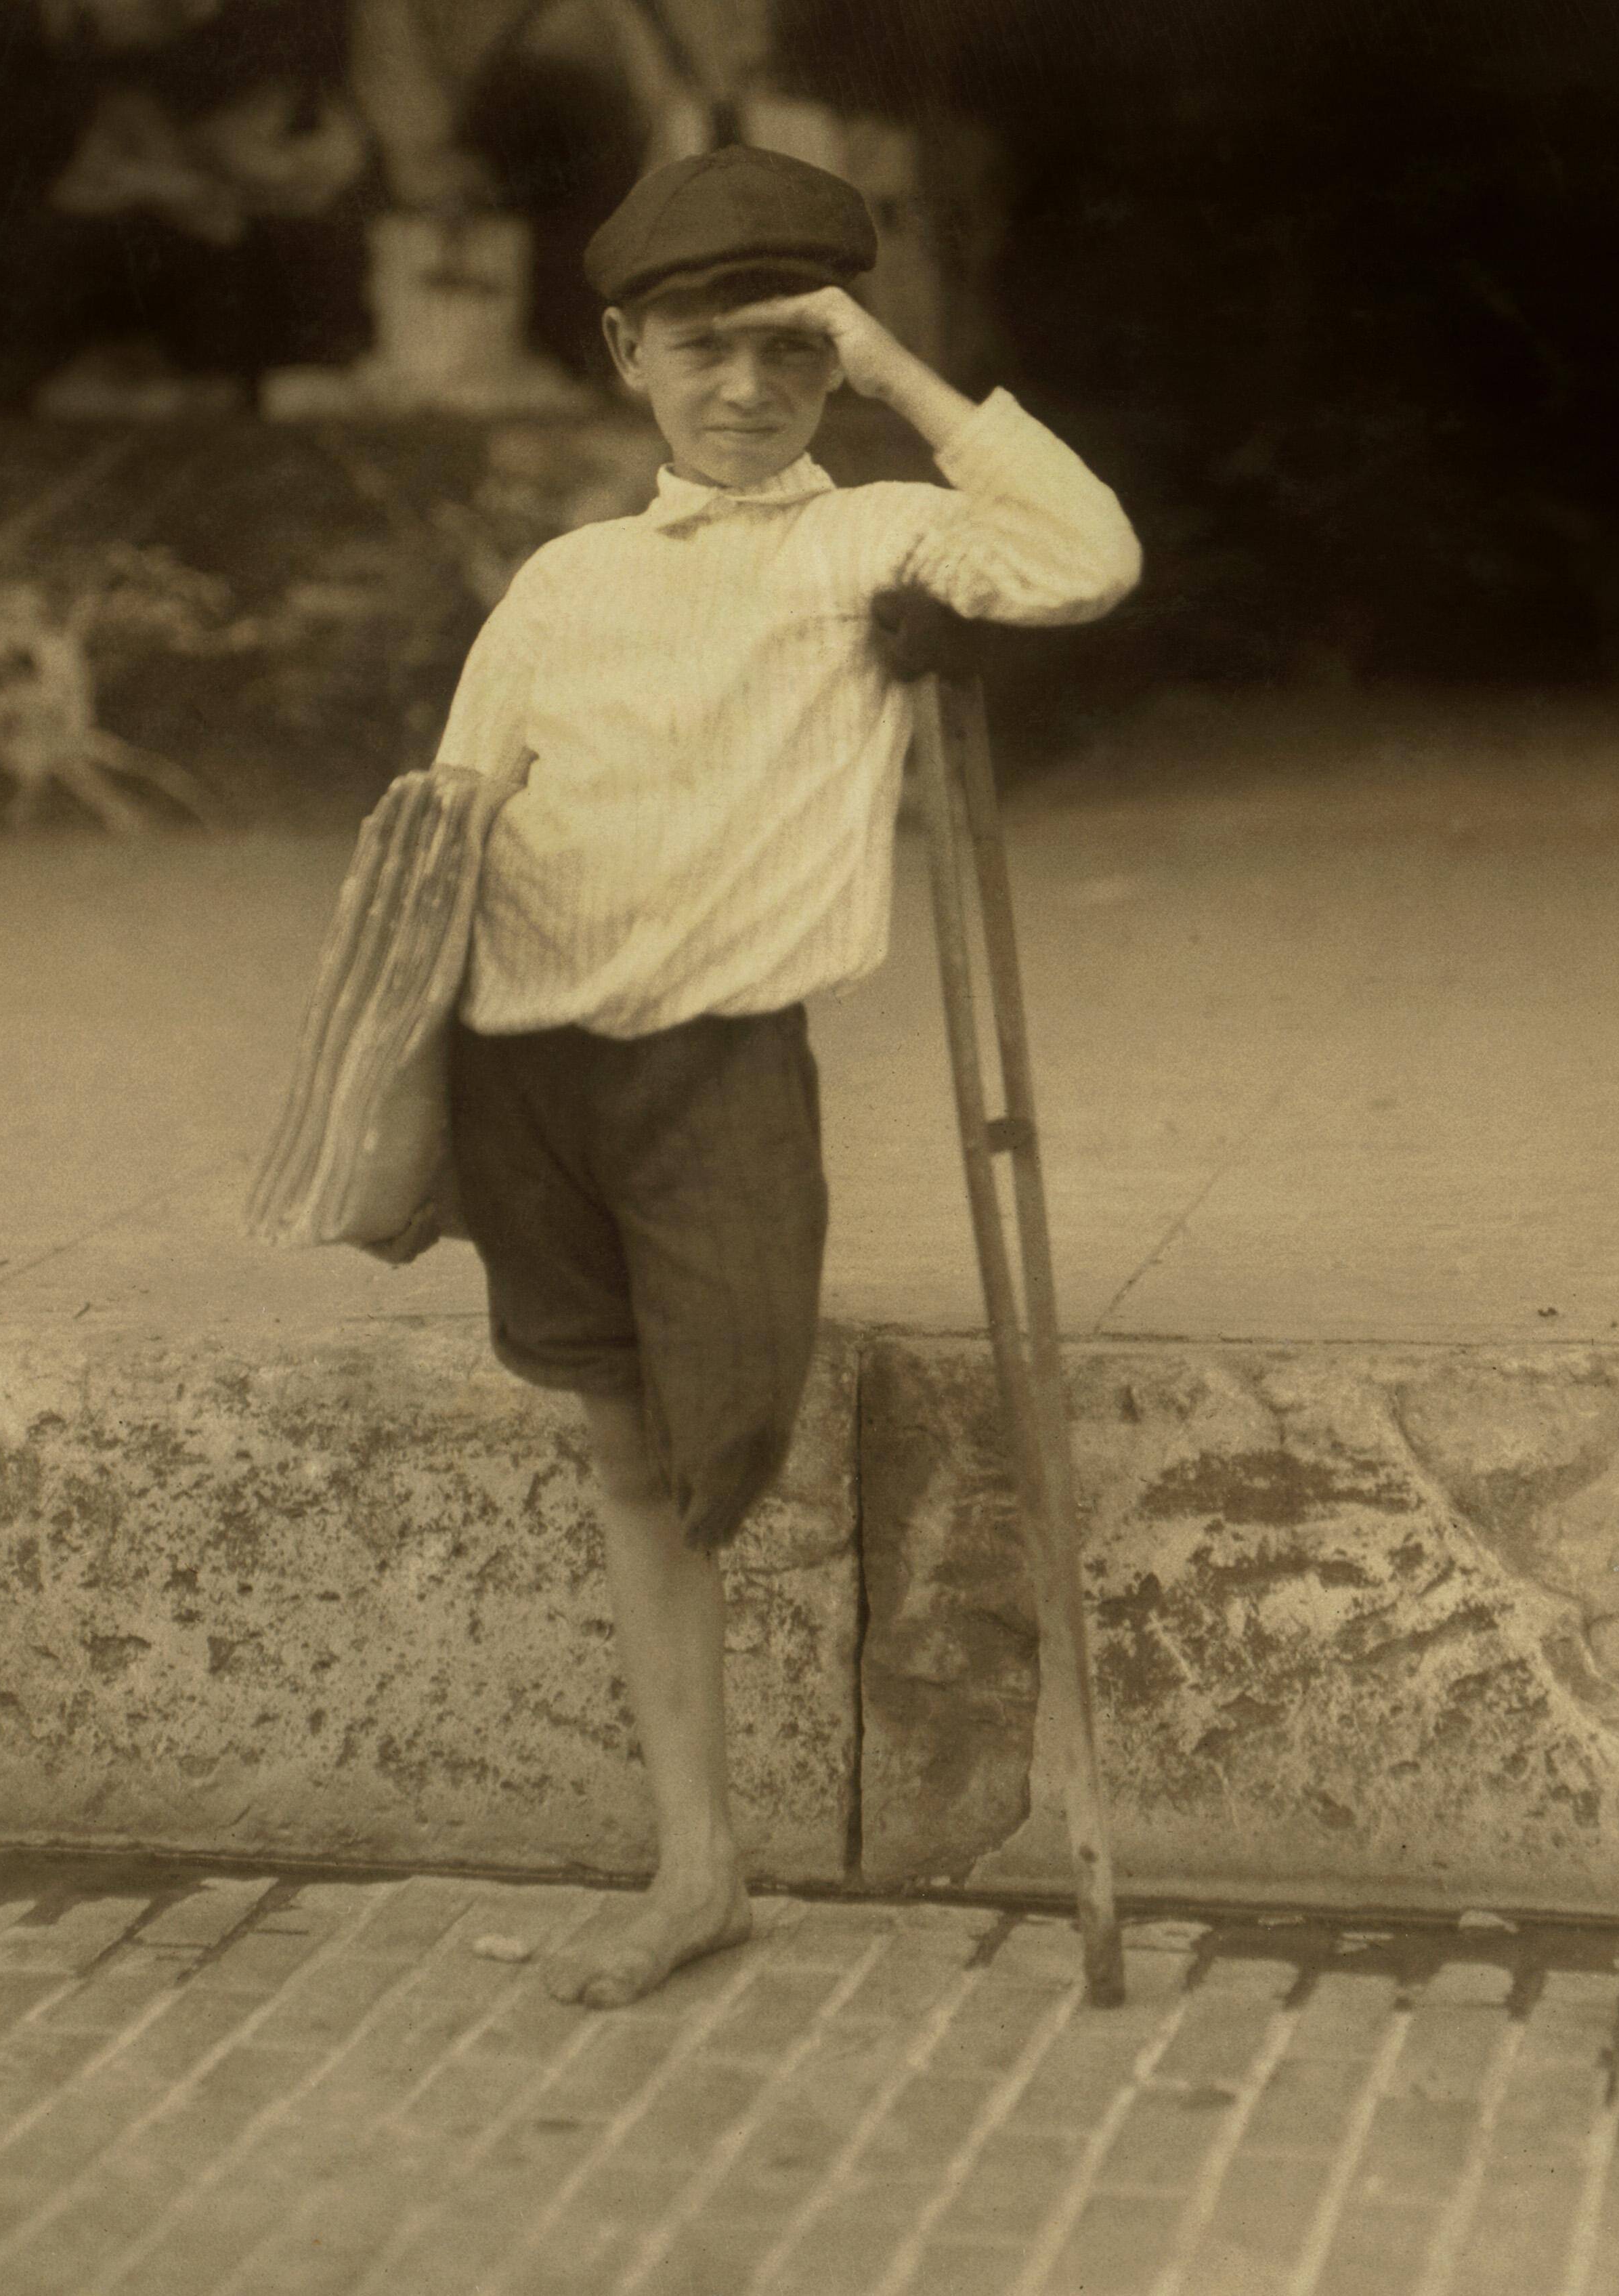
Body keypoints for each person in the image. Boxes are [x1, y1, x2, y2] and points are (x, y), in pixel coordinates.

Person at [429, 142, 1140, 2006]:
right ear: (623, 356)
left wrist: (902, 378)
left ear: (831, 364)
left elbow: (1085, 557)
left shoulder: (873, 538)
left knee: (715, 1429)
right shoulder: (564, 579)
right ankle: (697, 1861)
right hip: (523, 1056)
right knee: (621, 1459)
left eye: (787, 351)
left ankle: (711, 1848)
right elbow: (454, 814)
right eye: (699, 346)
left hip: (717, 1066)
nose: (743, 388)